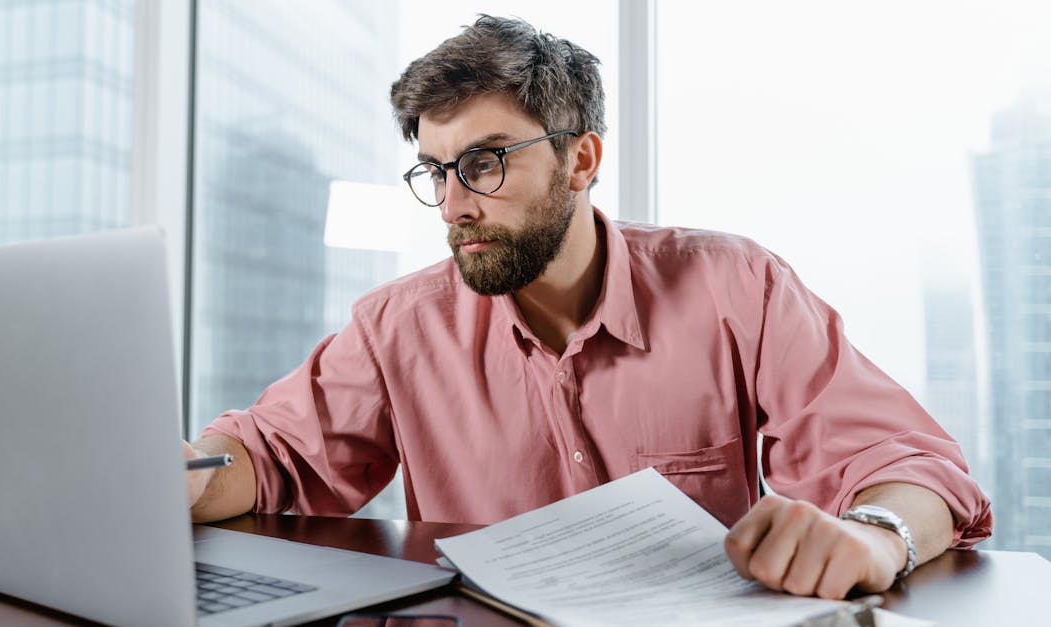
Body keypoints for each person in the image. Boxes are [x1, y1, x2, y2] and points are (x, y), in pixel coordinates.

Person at [184, 15, 992, 600]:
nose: (452, 204)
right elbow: (267, 455)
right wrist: (174, 474)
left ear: (581, 159)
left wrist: (874, 535)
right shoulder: (399, 326)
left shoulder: (734, 287)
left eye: (484, 162)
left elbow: (909, 463)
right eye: (435, 170)